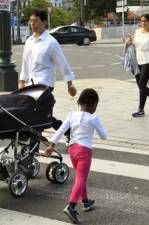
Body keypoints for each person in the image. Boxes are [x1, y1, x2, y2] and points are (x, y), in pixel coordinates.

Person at [44, 88, 107, 224]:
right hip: (84, 151)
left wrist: (52, 145)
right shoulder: (93, 118)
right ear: (94, 104)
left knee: (80, 176)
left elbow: (61, 129)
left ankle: (85, 201)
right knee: (81, 178)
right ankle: (71, 206)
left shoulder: (72, 114)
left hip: (72, 150)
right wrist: (98, 125)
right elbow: (104, 136)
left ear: (80, 102)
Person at [19, 9, 77, 132]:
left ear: (44, 22)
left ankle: (32, 148)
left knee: (36, 116)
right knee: (42, 115)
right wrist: (22, 82)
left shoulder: (51, 42)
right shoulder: (29, 41)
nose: (32, 24)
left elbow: (63, 63)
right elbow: (25, 63)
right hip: (31, 85)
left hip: (45, 85)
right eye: (31, 21)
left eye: (35, 21)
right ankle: (67, 131)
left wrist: (70, 84)